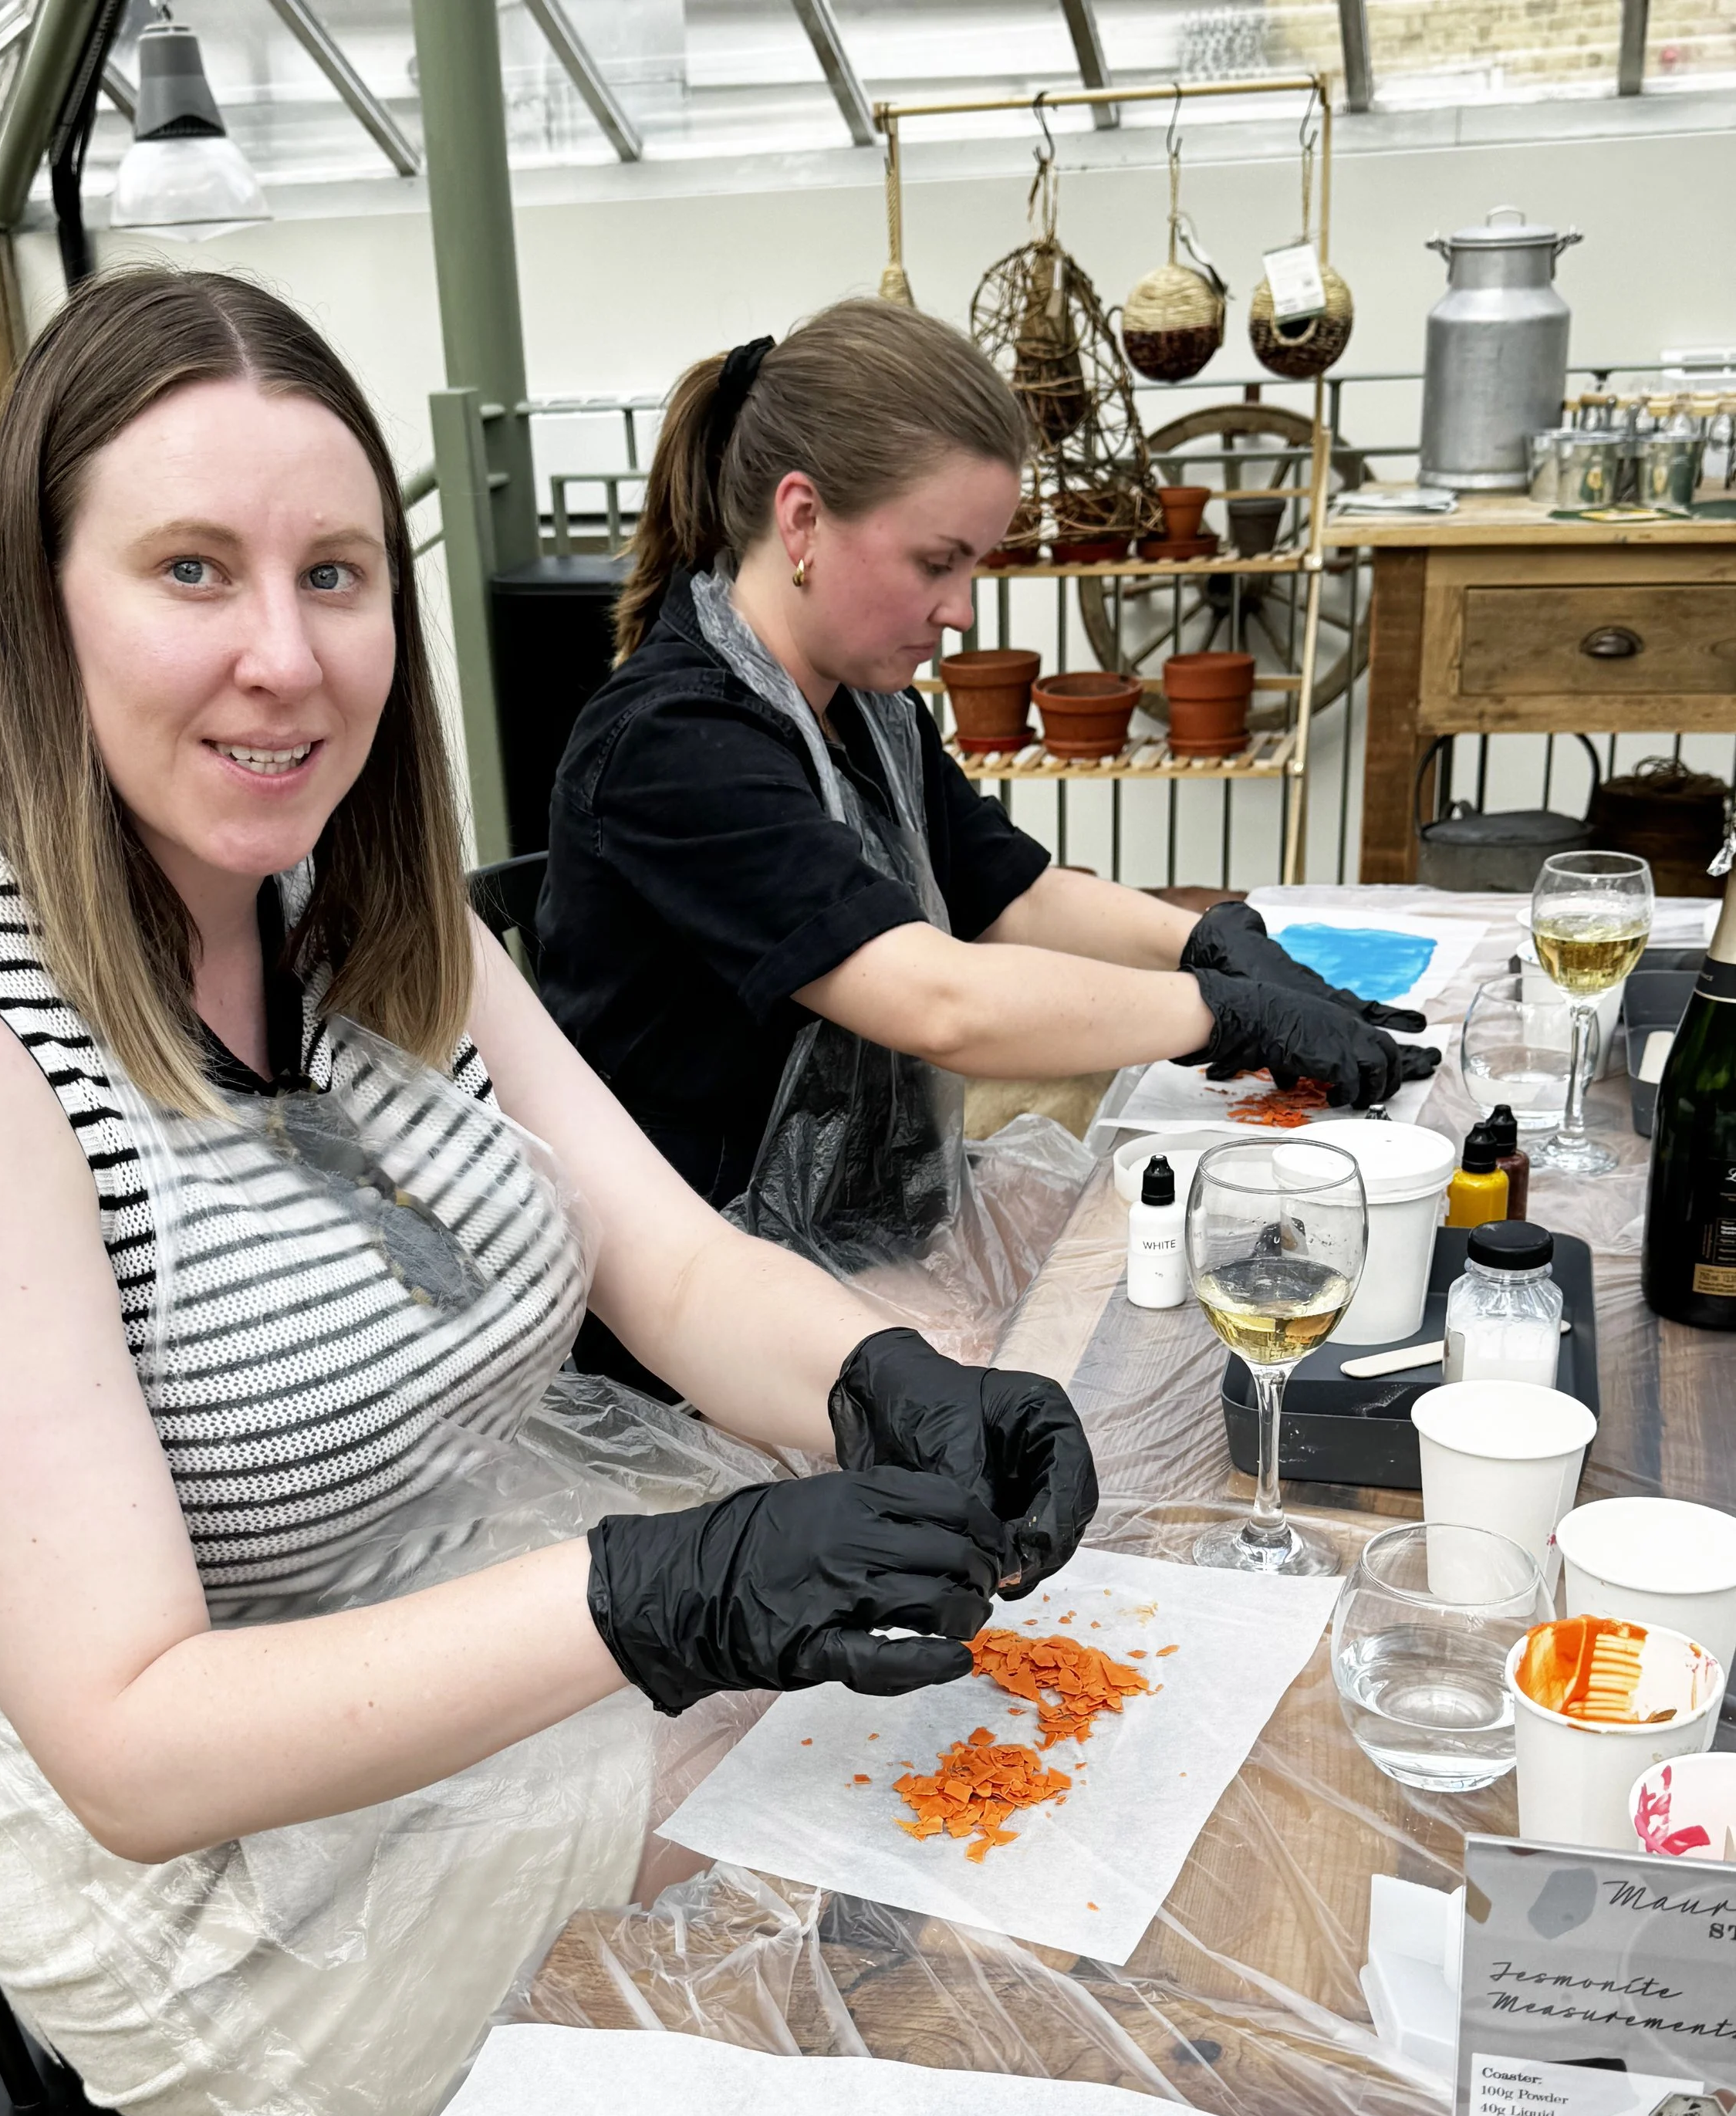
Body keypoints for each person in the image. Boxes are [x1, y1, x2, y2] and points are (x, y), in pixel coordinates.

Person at [0, 272, 1096, 2116]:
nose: (284, 656)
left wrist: (876, 1386)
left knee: (944, 1767)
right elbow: (136, 1749)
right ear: (40, 604)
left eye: (334, 575)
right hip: (205, 1885)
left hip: (453, 1625)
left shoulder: (339, 891)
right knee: (890, 1901)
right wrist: (664, 1594)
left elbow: (659, 1263)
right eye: (187, 569)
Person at [538, 302, 1437, 1379]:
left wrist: (1215, 941)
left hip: (861, 1221)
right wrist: (1218, 1016)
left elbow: (1010, 890)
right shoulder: (674, 742)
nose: (962, 612)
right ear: (804, 520)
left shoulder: (863, 710)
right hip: (690, 1288)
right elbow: (938, 1000)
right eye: (936, 562)